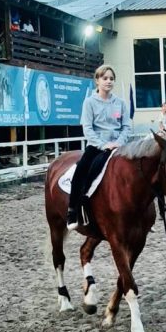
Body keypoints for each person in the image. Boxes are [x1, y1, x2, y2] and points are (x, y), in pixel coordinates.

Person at [67, 65, 131, 231]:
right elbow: (87, 129)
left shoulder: (121, 103)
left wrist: (119, 142)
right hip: (97, 146)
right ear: (97, 81)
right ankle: (73, 210)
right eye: (105, 78)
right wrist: (104, 145)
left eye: (111, 78)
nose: (108, 81)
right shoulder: (89, 102)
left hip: (118, 145)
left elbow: (126, 126)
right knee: (80, 171)